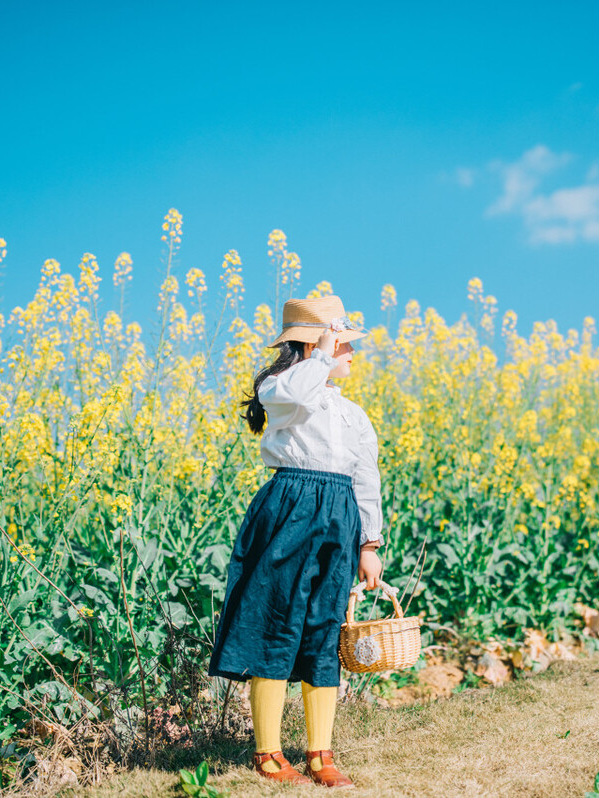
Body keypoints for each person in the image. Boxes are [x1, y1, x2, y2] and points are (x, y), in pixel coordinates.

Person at [206, 295, 385, 788]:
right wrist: (322, 355)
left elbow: (364, 476)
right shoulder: (280, 387)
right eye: (344, 342)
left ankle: (320, 753)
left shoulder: (353, 413)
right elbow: (293, 396)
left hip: (339, 513)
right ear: (316, 344)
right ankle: (267, 752)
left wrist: (370, 545)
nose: (351, 352)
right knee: (275, 620)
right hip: (290, 506)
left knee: (324, 627)